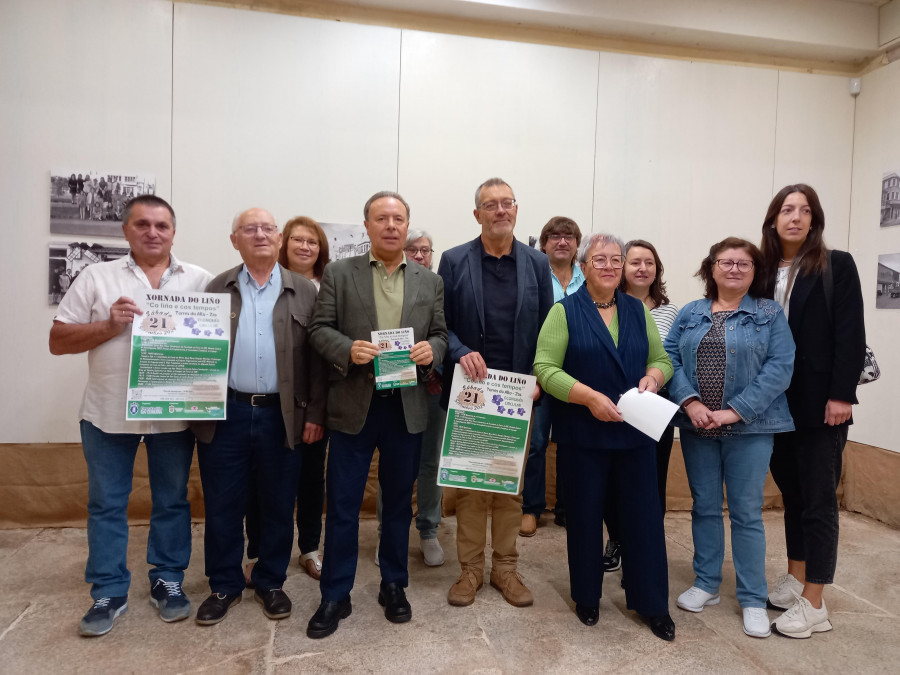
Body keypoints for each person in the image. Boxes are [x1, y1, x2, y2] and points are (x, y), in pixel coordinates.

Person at [49, 195, 213, 637]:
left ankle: (168, 579)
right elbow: (58, 340)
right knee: (106, 504)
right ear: (126, 231)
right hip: (107, 415)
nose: (152, 232)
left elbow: (218, 346)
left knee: (172, 501)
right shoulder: (96, 277)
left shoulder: (200, 281)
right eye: (142, 224)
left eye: (161, 225)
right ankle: (108, 590)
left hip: (175, 416)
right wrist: (109, 326)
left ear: (173, 232)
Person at [306, 191, 447, 639]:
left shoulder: (429, 280)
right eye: (381, 218)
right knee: (344, 503)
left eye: (399, 219)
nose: (391, 225)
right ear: (366, 226)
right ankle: (335, 593)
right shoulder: (339, 273)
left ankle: (393, 583)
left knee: (397, 505)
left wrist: (432, 351)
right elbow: (318, 329)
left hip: (406, 405)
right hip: (354, 404)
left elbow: (441, 334)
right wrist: (347, 349)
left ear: (407, 227)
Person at [533, 232, 675, 641]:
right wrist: (589, 397)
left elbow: (661, 359)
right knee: (583, 519)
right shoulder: (563, 312)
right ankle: (587, 597)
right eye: (600, 260)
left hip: (636, 435)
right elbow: (545, 368)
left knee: (644, 522)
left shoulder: (637, 310)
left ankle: (653, 604)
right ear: (583, 267)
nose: (610, 266)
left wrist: (653, 377)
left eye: (617, 259)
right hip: (583, 435)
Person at [191, 208, 326, 626]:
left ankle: (270, 581)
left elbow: (319, 361)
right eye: (250, 230)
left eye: (268, 228)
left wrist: (315, 414)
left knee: (278, 501)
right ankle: (224, 585)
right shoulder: (217, 287)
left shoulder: (304, 290)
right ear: (235, 240)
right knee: (223, 503)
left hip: (282, 415)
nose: (261, 235)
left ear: (280, 237)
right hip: (226, 412)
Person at [665, 237, 795, 639]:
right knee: (704, 506)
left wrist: (734, 410)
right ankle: (707, 583)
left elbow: (781, 366)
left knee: (745, 512)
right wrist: (690, 402)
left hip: (751, 427)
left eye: (744, 263)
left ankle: (753, 598)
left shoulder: (769, 314)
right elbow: (668, 356)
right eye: (726, 262)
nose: (734, 269)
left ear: (756, 271)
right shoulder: (690, 312)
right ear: (711, 268)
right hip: (697, 427)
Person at [438, 177, 553, 608]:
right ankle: (469, 572)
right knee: (470, 487)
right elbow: (439, 325)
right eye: (491, 205)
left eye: (507, 203)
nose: (500, 210)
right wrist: (461, 349)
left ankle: (505, 568)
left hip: (518, 395)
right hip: (471, 395)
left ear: (517, 211)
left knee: (508, 488)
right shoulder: (453, 260)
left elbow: (547, 328)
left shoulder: (537, 263)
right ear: (477, 214)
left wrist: (542, 375)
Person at [759, 184, 866, 639]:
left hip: (821, 404)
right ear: (773, 219)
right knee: (793, 495)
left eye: (805, 211)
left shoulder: (835, 265)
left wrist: (842, 394)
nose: (796, 218)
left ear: (815, 219)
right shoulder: (761, 271)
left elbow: (850, 332)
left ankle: (815, 602)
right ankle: (796, 575)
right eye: (787, 209)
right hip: (774, 403)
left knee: (820, 501)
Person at [244, 216, 331, 582]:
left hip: (309, 405)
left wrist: (316, 410)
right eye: (297, 239)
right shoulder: (263, 283)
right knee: (260, 483)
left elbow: (322, 358)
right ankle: (257, 552)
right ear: (283, 243)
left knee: (311, 479)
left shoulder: (329, 287)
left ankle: (309, 549)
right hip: (267, 407)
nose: (305, 247)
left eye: (312, 241)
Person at [602, 239, 679, 572]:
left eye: (649, 262)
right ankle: (617, 538)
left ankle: (647, 541)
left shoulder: (671, 311)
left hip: (654, 407)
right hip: (610, 407)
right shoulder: (605, 305)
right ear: (621, 268)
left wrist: (655, 377)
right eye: (634, 262)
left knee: (652, 479)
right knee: (610, 481)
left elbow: (671, 358)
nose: (642, 268)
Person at [374, 229, 446, 567]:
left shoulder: (437, 285)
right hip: (390, 386)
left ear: (432, 254)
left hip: (430, 388)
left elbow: (443, 334)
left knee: (431, 463)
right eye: (412, 249)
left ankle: (428, 529)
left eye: (425, 250)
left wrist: (433, 352)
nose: (419, 255)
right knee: (391, 466)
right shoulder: (385, 283)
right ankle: (387, 533)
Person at [521, 216, 584, 536]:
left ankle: (567, 506)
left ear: (577, 244)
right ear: (543, 243)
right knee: (535, 443)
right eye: (555, 236)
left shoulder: (588, 279)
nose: (562, 242)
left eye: (569, 237)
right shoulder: (532, 275)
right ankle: (531, 508)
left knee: (573, 443)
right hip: (541, 371)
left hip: (580, 376)